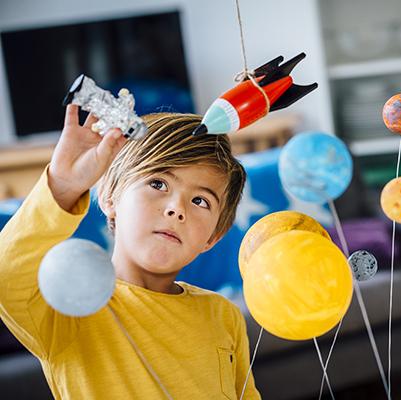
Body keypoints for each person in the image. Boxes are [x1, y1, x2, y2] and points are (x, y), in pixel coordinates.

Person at [0, 104, 261, 399]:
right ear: (111, 196)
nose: (176, 209)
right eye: (158, 183)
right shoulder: (71, 310)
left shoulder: (224, 315)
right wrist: (62, 187)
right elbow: (6, 270)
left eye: (200, 201)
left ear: (213, 237)